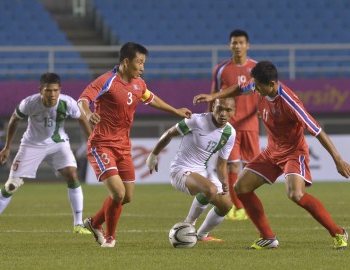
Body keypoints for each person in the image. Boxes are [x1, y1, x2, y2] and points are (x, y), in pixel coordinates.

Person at [193, 61, 350, 250]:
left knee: (295, 194)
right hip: (271, 152)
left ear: (271, 84)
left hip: (293, 153)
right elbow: (237, 89)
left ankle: (338, 233)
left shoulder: (289, 102)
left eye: (258, 86)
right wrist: (213, 96)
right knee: (241, 187)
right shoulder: (258, 85)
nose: (255, 89)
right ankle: (267, 237)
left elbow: (317, 130)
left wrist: (338, 159)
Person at [79, 42, 192, 248]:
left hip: (123, 146)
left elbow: (151, 99)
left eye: (144, 63)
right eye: (139, 63)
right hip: (101, 145)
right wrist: (88, 113)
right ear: (126, 62)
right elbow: (83, 99)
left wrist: (175, 111)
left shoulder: (139, 83)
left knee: (127, 196)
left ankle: (94, 223)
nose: (142, 67)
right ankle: (110, 237)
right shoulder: (107, 80)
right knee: (118, 193)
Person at [0, 73, 93, 235]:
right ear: (40, 90)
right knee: (12, 184)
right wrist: (7, 147)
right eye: (48, 90)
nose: (52, 94)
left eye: (55, 90)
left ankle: (78, 224)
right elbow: (14, 120)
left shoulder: (67, 103)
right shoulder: (30, 103)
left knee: (72, 174)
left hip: (57, 143)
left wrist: (91, 141)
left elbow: (82, 118)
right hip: (31, 145)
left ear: (60, 90)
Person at [146, 98, 236, 242]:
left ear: (234, 112)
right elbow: (169, 133)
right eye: (220, 109)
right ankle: (188, 225)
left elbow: (221, 164)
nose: (223, 114)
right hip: (180, 170)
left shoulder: (230, 133)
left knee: (226, 206)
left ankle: (202, 235)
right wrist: (154, 154)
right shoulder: (196, 121)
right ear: (213, 107)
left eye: (228, 110)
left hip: (202, 172)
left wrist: (224, 181)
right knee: (210, 190)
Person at [209, 29, 260, 221]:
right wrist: (211, 119)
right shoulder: (221, 69)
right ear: (229, 45)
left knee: (251, 167)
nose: (237, 46)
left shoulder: (256, 68)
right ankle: (236, 206)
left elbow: (264, 94)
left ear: (247, 45)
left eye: (241, 42)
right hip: (228, 126)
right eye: (234, 43)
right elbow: (213, 95)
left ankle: (246, 203)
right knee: (230, 166)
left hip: (251, 125)